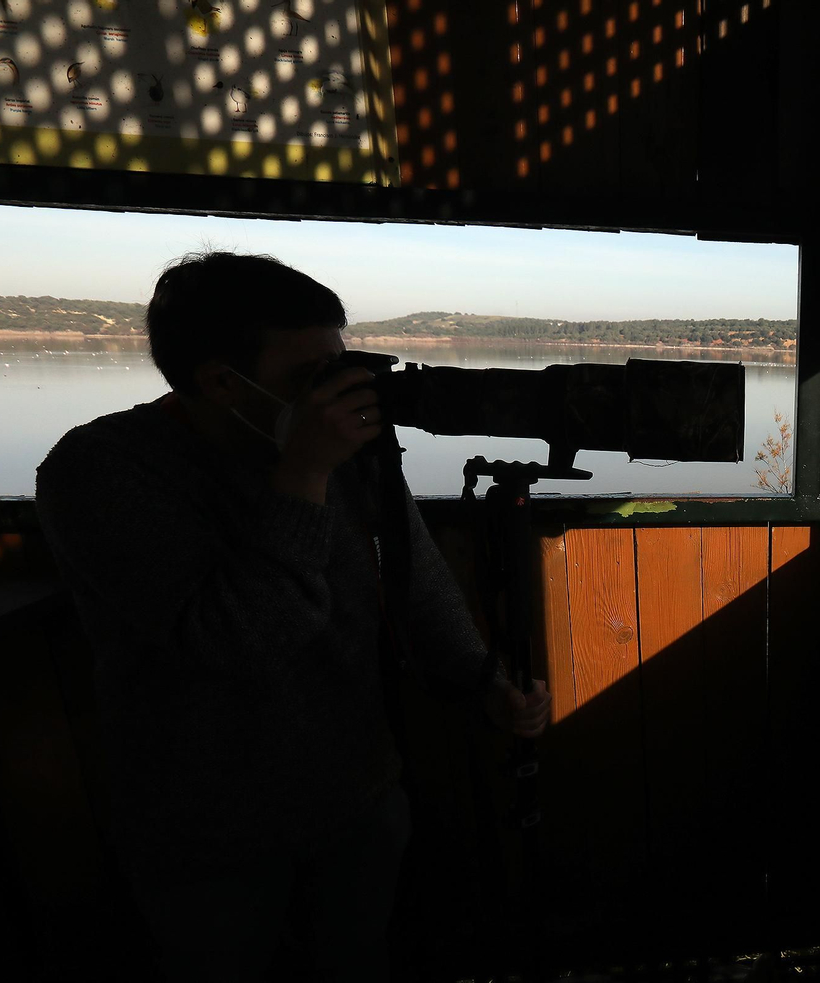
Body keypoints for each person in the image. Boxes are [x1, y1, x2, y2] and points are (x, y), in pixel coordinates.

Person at [33, 250, 551, 982]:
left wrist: (481, 680)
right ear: (220, 381)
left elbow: (415, 574)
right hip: (203, 833)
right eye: (313, 375)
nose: (338, 391)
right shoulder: (97, 471)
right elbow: (239, 639)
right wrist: (304, 472)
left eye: (339, 365)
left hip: (354, 798)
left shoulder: (338, 444)